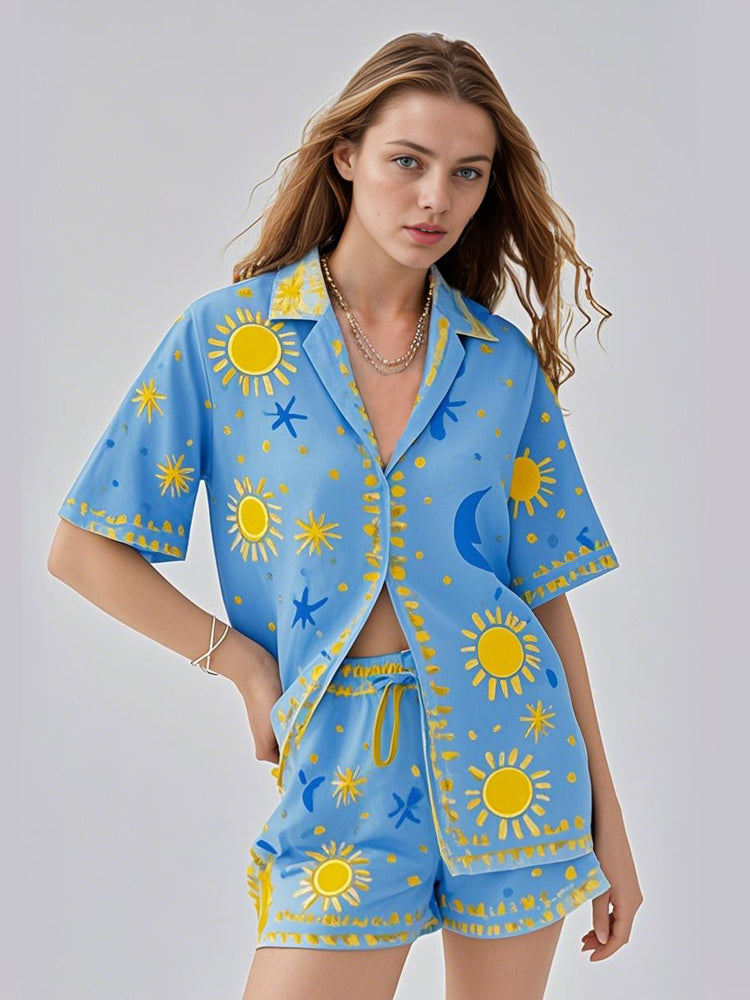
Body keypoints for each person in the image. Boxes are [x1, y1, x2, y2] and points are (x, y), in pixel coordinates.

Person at [47, 30, 642, 1000]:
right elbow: (82, 549)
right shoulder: (228, 340)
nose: (435, 198)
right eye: (409, 161)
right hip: (341, 764)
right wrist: (242, 664)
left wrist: (609, 827)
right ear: (346, 157)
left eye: (467, 172)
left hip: (514, 756)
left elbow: (544, 595)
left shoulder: (500, 364)